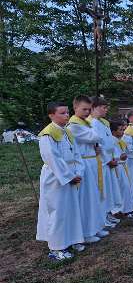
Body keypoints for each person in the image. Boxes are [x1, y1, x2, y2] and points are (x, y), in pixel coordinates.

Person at [36, 102, 85, 260]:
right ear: (51, 115)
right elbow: (52, 159)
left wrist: (78, 171)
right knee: (57, 211)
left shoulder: (67, 132)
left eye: (67, 112)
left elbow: (77, 154)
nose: (67, 115)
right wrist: (69, 176)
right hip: (55, 178)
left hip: (70, 174)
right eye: (62, 113)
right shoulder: (47, 135)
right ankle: (56, 248)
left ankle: (72, 239)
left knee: (71, 209)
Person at [67, 95, 107, 243]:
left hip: (92, 161)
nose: (87, 112)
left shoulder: (85, 123)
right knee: (86, 199)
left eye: (89, 110)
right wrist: (97, 138)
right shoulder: (74, 125)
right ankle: (87, 232)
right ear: (75, 108)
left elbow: (97, 140)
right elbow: (96, 137)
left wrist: (97, 145)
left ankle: (96, 227)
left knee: (94, 196)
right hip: (84, 163)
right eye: (84, 109)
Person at [89, 96, 122, 225]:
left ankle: (108, 212)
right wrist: (107, 160)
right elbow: (98, 144)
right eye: (103, 107)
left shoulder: (103, 122)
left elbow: (109, 142)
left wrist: (113, 156)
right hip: (102, 162)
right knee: (102, 190)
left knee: (109, 189)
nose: (106, 110)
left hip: (109, 159)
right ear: (94, 108)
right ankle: (102, 216)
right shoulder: (91, 123)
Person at [110, 120, 133, 218]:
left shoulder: (120, 141)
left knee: (126, 187)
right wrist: (120, 157)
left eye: (123, 129)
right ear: (113, 132)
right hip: (117, 167)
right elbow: (111, 155)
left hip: (122, 166)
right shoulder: (112, 141)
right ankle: (121, 210)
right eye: (120, 130)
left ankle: (127, 209)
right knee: (122, 188)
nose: (122, 132)